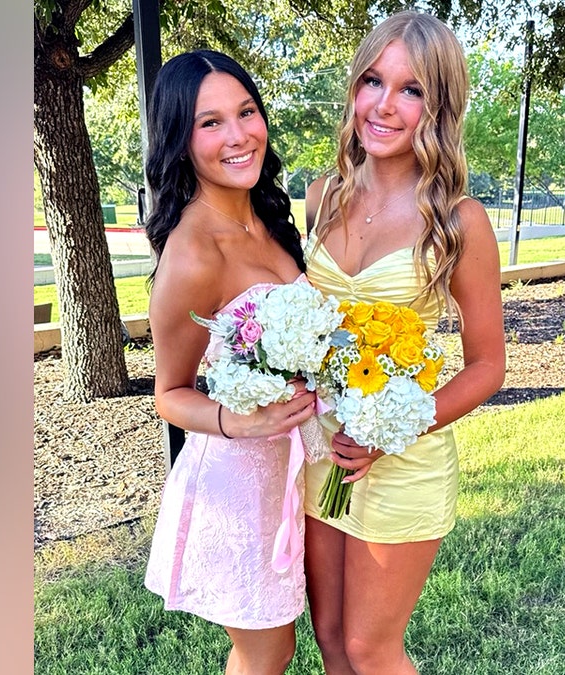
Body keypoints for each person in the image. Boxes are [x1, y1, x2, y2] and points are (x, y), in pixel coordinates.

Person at [301, 11, 506, 674]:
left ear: (438, 107)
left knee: (370, 647)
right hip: (322, 449)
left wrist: (391, 429)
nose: (384, 105)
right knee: (330, 636)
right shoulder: (322, 197)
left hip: (404, 456)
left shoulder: (458, 221)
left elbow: (488, 366)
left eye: (411, 89)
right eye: (373, 81)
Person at [141, 49, 318, 675]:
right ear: (179, 140)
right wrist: (239, 421)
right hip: (238, 483)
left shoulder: (267, 217)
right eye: (210, 123)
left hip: (296, 470)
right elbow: (169, 393)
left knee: (282, 646)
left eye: (246, 112)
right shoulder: (193, 253)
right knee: (267, 653)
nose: (239, 135)